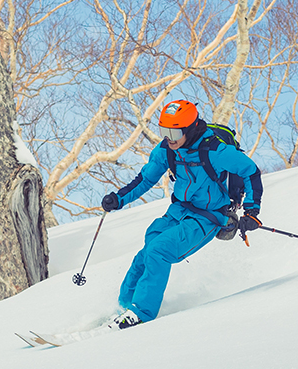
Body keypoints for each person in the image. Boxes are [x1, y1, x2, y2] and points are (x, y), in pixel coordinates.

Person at [100, 100, 263, 329]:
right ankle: (124, 308)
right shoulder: (167, 150)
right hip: (179, 210)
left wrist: (252, 211)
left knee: (159, 251)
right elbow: (146, 178)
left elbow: (251, 171)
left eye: (174, 132)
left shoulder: (214, 150)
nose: (169, 137)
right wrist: (119, 198)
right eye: (164, 131)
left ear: (190, 128)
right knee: (146, 252)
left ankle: (140, 315)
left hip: (208, 217)